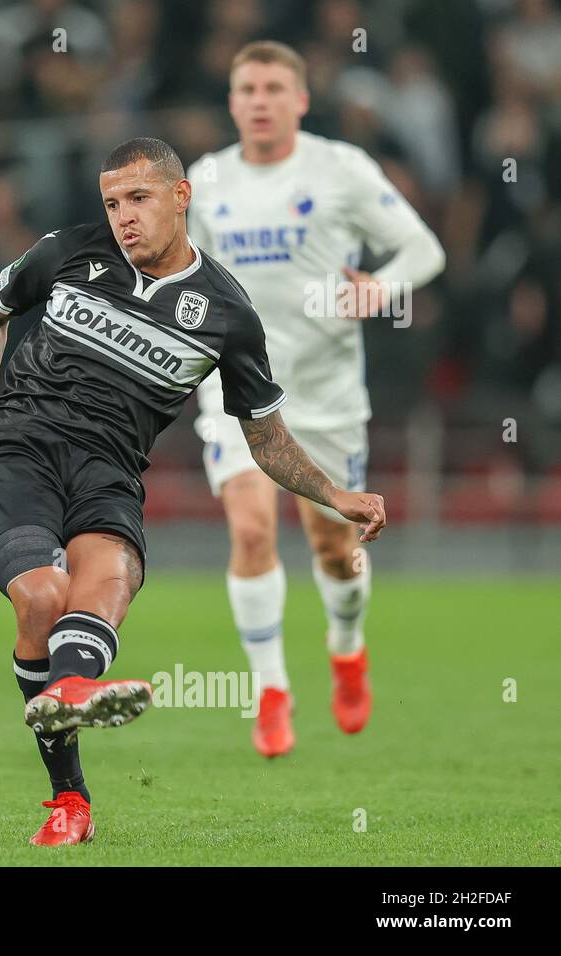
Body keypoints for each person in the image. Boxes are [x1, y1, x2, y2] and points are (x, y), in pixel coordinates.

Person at [0, 136, 387, 846]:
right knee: (43, 598)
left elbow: (265, 438)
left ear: (181, 197)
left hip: (108, 470)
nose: (123, 216)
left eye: (139, 199)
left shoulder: (227, 315)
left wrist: (337, 495)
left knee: (111, 581)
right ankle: (70, 776)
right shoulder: (67, 253)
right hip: (13, 452)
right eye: (113, 202)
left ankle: (70, 719)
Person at [186, 41, 445, 758]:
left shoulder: (341, 170)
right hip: (237, 391)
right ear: (233, 102)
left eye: (274, 87)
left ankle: (347, 642)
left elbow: (425, 250)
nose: (261, 100)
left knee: (335, 548)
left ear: (301, 99)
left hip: (326, 396)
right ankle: (271, 691)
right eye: (247, 89)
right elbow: (186, 281)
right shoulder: (203, 183)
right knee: (249, 530)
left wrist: (382, 289)